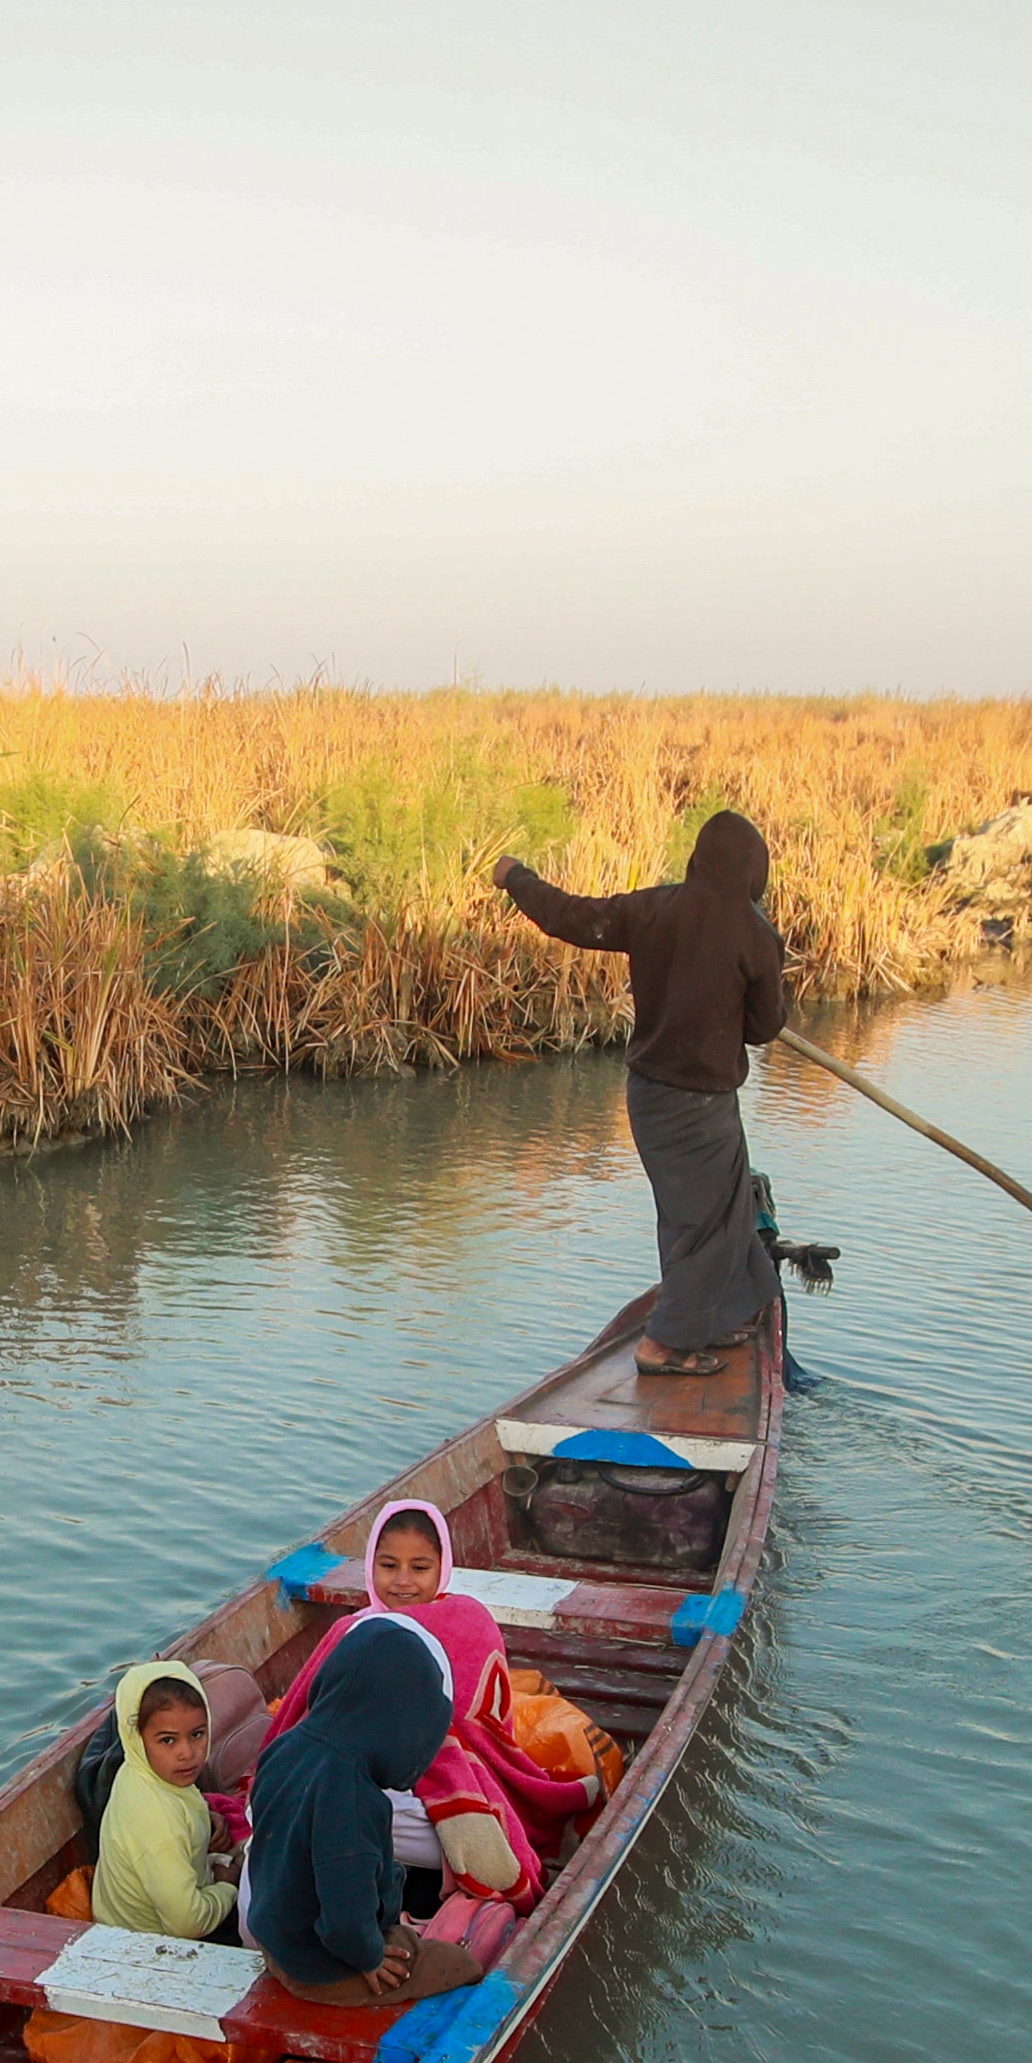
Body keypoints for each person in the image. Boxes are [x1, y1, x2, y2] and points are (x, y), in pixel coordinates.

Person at [495, 807, 791, 1376]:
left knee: (700, 1215)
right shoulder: (756, 936)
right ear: (755, 871)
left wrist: (516, 877)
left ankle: (708, 1319)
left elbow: (569, 916)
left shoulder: (653, 909)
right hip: (702, 1103)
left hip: (649, 1095)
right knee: (710, 1223)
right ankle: (664, 1345)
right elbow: (763, 1028)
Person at [275, 1498, 555, 1892]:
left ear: (443, 1568)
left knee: (331, 1810)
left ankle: (435, 1876)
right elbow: (311, 1713)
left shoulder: (467, 1622)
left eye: (420, 1568)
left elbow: (476, 1728)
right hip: (362, 1776)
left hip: (449, 1777)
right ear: (371, 1564)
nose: (403, 1581)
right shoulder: (353, 1629)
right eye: (388, 1566)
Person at [243, 1608, 495, 2007]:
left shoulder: (284, 1748)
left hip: (275, 1942)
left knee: (386, 1926)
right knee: (460, 1965)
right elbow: (344, 1915)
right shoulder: (354, 1799)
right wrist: (368, 1957)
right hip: (321, 1967)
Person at [86, 1661, 241, 1938]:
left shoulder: (138, 1770)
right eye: (168, 1740)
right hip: (148, 1947)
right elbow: (187, 1925)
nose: (187, 1753)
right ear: (136, 1738)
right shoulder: (154, 1818)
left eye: (197, 1734)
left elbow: (180, 1809)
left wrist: (203, 1818)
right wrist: (227, 1888)